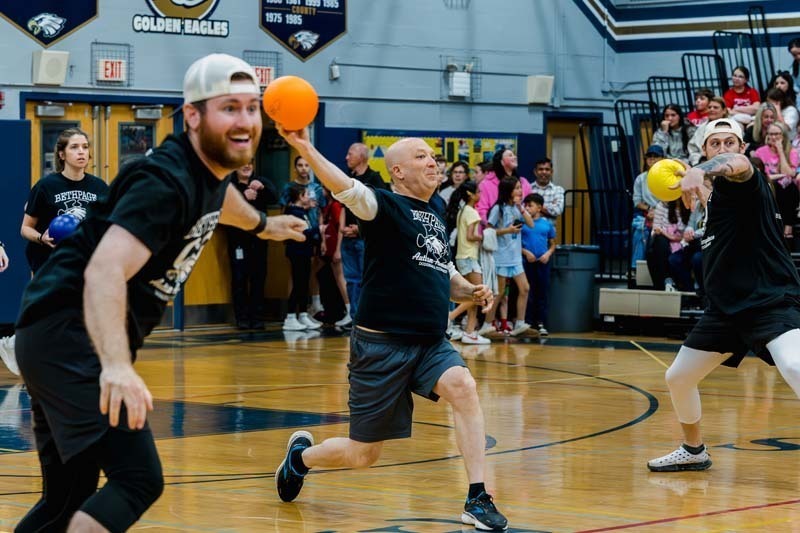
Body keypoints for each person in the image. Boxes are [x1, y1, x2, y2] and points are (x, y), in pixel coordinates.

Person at [12, 53, 307, 532]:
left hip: (47, 333)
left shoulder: (204, 171)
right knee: (138, 480)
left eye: (252, 108)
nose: (245, 120)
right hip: (71, 335)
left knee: (69, 497)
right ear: (193, 115)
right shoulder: (164, 182)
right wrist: (115, 366)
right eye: (229, 107)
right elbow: (105, 270)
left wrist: (265, 224)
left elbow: (223, 201)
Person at [274, 126, 508, 532]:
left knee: (464, 387)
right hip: (380, 347)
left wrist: (470, 290)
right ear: (397, 171)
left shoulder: (435, 215)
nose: (432, 161)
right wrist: (305, 146)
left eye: (432, 155)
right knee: (364, 455)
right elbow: (343, 186)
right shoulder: (382, 206)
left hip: (430, 343)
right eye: (420, 157)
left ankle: (477, 497)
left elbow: (444, 272)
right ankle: (301, 458)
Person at [647, 118, 800, 473]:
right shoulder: (714, 202)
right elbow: (714, 200)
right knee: (678, 377)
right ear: (704, 148)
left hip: (769, 302)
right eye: (714, 144)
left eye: (730, 142)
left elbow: (738, 165)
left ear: (741, 146)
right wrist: (696, 188)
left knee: (794, 365)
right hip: (725, 312)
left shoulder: (747, 181)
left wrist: (699, 171)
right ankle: (693, 449)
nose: (723, 149)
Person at [21, 127, 109, 274]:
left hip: (85, 265)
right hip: (49, 266)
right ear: (62, 154)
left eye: (85, 147)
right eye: (74, 147)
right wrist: (41, 238)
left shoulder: (100, 187)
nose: (81, 151)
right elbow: (25, 229)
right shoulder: (45, 186)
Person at [225, 159, 278, 329]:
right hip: (238, 240)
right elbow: (218, 207)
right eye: (242, 163)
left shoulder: (261, 181)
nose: (247, 166)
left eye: (250, 163)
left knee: (259, 278)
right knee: (239, 279)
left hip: (259, 240)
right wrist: (242, 197)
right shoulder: (229, 186)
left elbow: (274, 198)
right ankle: (241, 317)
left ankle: (257, 317)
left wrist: (263, 187)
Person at [479, 176, 533, 337]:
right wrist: (507, 231)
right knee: (499, 293)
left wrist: (521, 208)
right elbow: (488, 230)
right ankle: (487, 325)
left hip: (515, 257)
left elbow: (531, 224)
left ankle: (520, 324)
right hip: (501, 256)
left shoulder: (518, 207)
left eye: (519, 187)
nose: (520, 190)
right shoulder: (498, 209)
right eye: (516, 188)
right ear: (508, 191)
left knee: (525, 288)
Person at [340, 142, 389, 320]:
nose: (347, 157)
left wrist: (360, 230)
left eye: (350, 153)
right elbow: (343, 207)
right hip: (347, 238)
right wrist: (342, 229)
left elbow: (381, 213)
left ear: (362, 156)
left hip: (365, 239)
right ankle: (353, 316)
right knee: (351, 280)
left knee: (366, 279)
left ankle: (368, 317)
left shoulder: (375, 180)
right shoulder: (349, 180)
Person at [280, 156, 326, 317]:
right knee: (296, 273)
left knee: (309, 271)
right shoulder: (289, 187)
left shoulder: (317, 188)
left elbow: (321, 212)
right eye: (300, 165)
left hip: (313, 233)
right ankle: (292, 312)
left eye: (307, 165)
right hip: (298, 235)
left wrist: (320, 235)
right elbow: (284, 209)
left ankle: (313, 306)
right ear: (295, 168)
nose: (304, 168)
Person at [447, 180, 491, 345]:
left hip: (462, 256)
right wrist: (486, 236)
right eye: (478, 192)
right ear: (470, 195)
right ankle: (449, 318)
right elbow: (470, 236)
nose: (480, 194)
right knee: (477, 294)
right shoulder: (472, 212)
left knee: (474, 296)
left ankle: (470, 332)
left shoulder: (462, 210)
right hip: (469, 257)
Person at [282, 184, 322, 331]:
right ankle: (290, 316)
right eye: (306, 195)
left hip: (305, 252)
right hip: (297, 252)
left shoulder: (302, 212)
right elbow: (304, 233)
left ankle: (303, 314)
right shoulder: (293, 213)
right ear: (300, 197)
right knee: (298, 284)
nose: (309, 197)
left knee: (304, 284)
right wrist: (319, 229)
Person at [521, 193, 556, 336]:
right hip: (526, 262)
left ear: (539, 207)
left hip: (542, 263)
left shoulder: (546, 224)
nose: (527, 208)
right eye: (526, 205)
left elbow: (553, 244)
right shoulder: (522, 224)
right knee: (527, 292)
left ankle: (540, 322)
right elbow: (514, 243)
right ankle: (526, 322)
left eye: (531, 205)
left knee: (541, 293)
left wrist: (547, 254)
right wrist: (525, 252)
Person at [631, 145, 663, 269]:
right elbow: (637, 201)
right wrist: (649, 210)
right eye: (649, 157)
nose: (652, 160)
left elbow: (671, 200)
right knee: (640, 231)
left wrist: (658, 212)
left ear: (662, 159)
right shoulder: (641, 178)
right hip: (645, 213)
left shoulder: (668, 177)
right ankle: (636, 268)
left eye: (656, 157)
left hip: (664, 214)